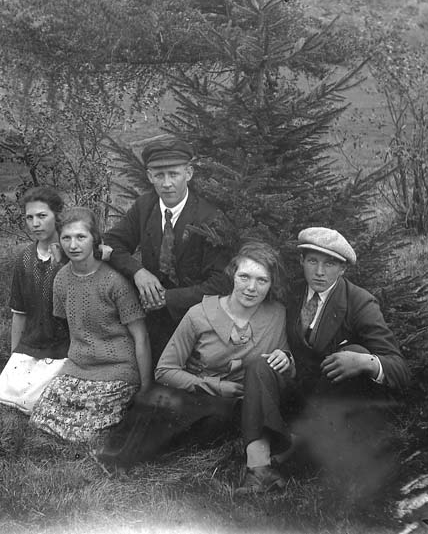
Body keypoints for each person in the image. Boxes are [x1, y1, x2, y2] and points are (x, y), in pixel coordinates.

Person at [93, 241, 292, 475]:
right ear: (232, 275)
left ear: (271, 283)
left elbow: (283, 369)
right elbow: (165, 371)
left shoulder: (276, 314)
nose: (251, 288)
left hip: (247, 407)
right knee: (166, 407)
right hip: (204, 398)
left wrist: (286, 358)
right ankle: (119, 458)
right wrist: (216, 386)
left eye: (262, 281)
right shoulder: (199, 315)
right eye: (244, 277)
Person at [237, 227, 411, 493]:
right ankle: (259, 469)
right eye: (312, 261)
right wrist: (285, 356)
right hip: (295, 392)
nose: (319, 272)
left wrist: (363, 362)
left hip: (332, 402)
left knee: (355, 350)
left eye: (329, 264)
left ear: (342, 269)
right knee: (261, 365)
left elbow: (400, 369)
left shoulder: (359, 302)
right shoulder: (292, 294)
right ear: (301, 261)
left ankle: (299, 450)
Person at [103, 136, 233, 366]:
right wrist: (138, 271)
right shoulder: (145, 206)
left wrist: (168, 298)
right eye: (159, 175)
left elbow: (220, 282)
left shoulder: (209, 217)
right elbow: (113, 242)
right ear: (149, 176)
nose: (166, 183)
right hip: (152, 319)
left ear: (188, 173)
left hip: (195, 318)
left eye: (174, 174)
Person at [29, 207, 152, 443]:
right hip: (79, 366)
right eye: (66, 238)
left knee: (90, 431)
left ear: (94, 239)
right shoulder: (61, 279)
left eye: (80, 237)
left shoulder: (115, 281)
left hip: (117, 368)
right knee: (40, 416)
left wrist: (146, 388)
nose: (73, 245)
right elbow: (69, 327)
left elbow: (141, 337)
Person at [0, 186, 69, 414]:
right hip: (32, 344)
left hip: (65, 347)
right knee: (7, 394)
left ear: (57, 216)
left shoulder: (72, 254)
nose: (35, 223)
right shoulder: (25, 258)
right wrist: (14, 356)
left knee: (40, 400)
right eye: (29, 217)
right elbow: (20, 313)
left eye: (42, 216)